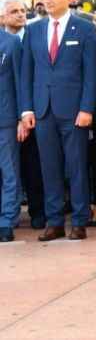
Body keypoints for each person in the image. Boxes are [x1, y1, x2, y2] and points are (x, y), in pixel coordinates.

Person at [20, 0, 96, 241]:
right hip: (43, 110)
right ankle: (54, 222)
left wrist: (87, 108)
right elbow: (27, 72)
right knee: (49, 168)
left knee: (76, 167)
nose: (47, 1)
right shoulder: (33, 29)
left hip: (74, 111)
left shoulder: (85, 28)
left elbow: (91, 73)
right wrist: (27, 110)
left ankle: (79, 221)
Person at [3, 0, 45, 229]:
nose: (20, 14)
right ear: (3, 17)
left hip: (29, 114)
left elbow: (25, 81)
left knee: (31, 166)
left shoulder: (33, 36)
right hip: (8, 116)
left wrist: (23, 115)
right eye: (14, 11)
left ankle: (36, 213)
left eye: (22, 10)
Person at [0, 28, 22, 242]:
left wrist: (21, 117)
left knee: (9, 173)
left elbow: (19, 81)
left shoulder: (11, 42)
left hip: (5, 119)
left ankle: (6, 221)